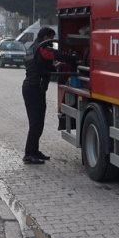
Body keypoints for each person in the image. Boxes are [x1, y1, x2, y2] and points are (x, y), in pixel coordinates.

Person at [22, 27, 74, 164]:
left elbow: (42, 65)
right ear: (46, 37)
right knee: (35, 123)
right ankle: (29, 154)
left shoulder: (33, 47)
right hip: (33, 88)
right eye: (51, 37)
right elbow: (54, 55)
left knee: (39, 122)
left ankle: (34, 151)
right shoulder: (42, 47)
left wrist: (55, 66)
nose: (52, 41)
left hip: (34, 88)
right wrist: (72, 58)